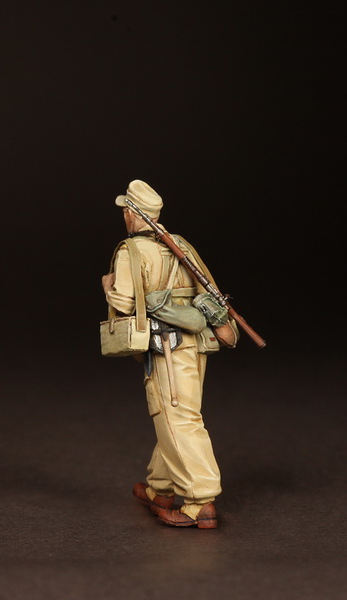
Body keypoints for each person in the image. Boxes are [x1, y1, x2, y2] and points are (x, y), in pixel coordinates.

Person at [102, 180, 237, 529]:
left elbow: (125, 303)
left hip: (166, 347)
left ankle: (200, 501)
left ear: (132, 213)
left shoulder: (131, 251)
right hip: (195, 344)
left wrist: (108, 287)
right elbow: (206, 288)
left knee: (179, 419)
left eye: (125, 210)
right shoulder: (179, 244)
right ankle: (160, 489)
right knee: (175, 415)